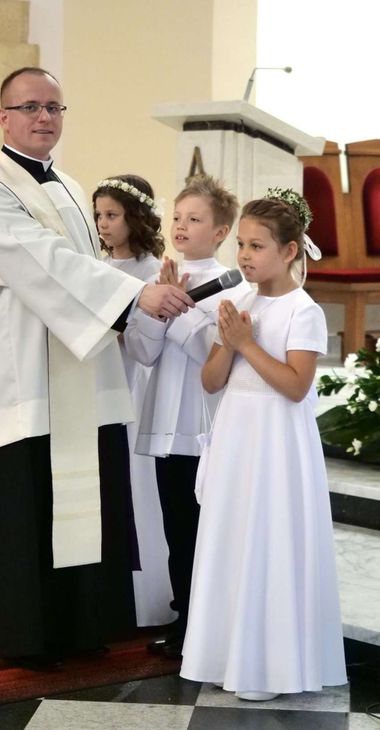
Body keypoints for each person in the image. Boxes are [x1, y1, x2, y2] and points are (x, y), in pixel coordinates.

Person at [0, 67, 193, 663]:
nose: (44, 117)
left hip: (79, 368)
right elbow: (44, 263)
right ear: (3, 117)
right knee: (29, 501)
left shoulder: (71, 187)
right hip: (25, 373)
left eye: (54, 107)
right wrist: (133, 295)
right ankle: (26, 635)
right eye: (30, 107)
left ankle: (80, 625)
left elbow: (83, 266)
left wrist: (131, 297)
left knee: (84, 500)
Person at [180, 189, 347, 700]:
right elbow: (211, 381)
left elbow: (295, 386)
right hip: (237, 435)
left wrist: (246, 344)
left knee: (269, 541)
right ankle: (225, 655)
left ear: (289, 250)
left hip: (277, 442)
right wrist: (228, 344)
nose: (245, 256)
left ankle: (270, 668)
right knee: (232, 540)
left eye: (257, 246)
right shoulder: (240, 305)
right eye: (241, 245)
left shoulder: (304, 311)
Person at [124, 175, 250, 657]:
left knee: (202, 531)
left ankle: (208, 626)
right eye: (177, 217)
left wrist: (180, 311)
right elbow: (143, 352)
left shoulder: (231, 289)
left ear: (220, 232)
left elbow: (211, 355)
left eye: (194, 219)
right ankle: (183, 620)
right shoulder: (161, 279)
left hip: (200, 425)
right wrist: (160, 307)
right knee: (176, 531)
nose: (181, 226)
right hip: (164, 423)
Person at [93, 175, 176, 627]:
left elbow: (146, 348)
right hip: (97, 386)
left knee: (136, 487)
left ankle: (146, 602)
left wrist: (116, 318)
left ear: (136, 217)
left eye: (112, 215)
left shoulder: (151, 272)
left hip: (133, 389)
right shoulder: (95, 266)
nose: (103, 224)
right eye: (99, 215)